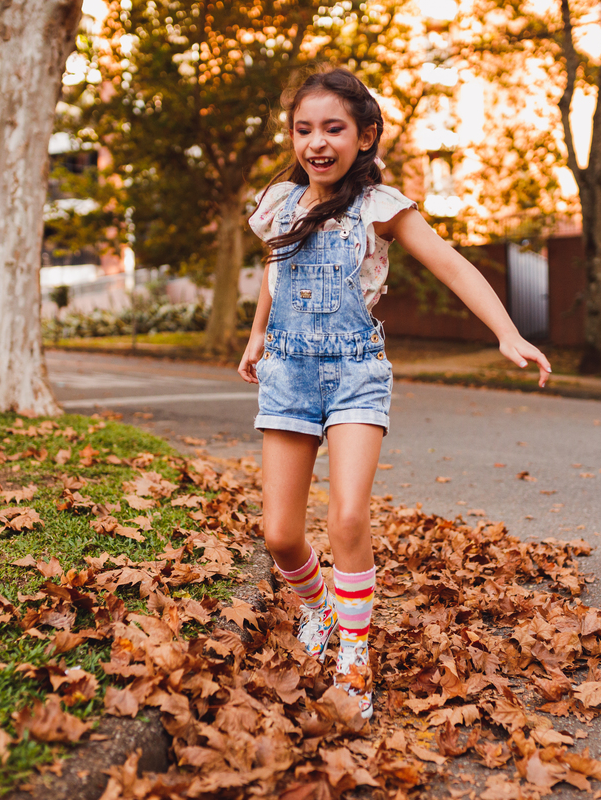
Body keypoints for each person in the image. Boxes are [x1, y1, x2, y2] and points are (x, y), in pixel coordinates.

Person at [237, 66, 551, 720]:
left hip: (355, 370)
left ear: (364, 136)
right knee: (280, 536)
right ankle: (320, 608)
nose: (316, 142)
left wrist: (507, 332)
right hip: (288, 372)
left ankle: (355, 655)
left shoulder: (381, 207)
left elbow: (451, 262)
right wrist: (257, 334)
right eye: (304, 129)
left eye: (333, 129)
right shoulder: (278, 206)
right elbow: (274, 270)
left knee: (348, 517)